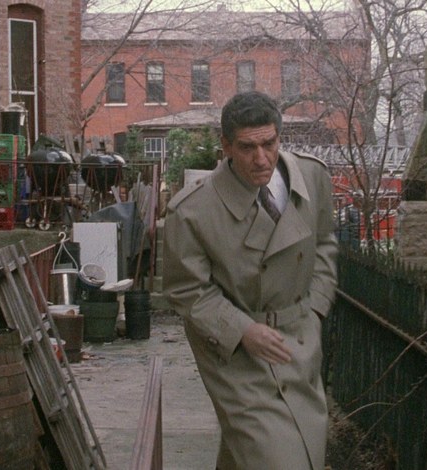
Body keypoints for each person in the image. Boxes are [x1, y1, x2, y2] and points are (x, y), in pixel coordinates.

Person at [162, 91, 338, 469]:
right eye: (247, 147)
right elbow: (186, 289)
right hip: (235, 354)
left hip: (298, 340)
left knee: (264, 451)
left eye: (269, 144)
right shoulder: (191, 211)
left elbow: (325, 241)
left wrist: (315, 310)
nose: (261, 158)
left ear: (279, 137)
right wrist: (242, 330)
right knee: (277, 457)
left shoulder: (312, 177)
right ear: (225, 146)